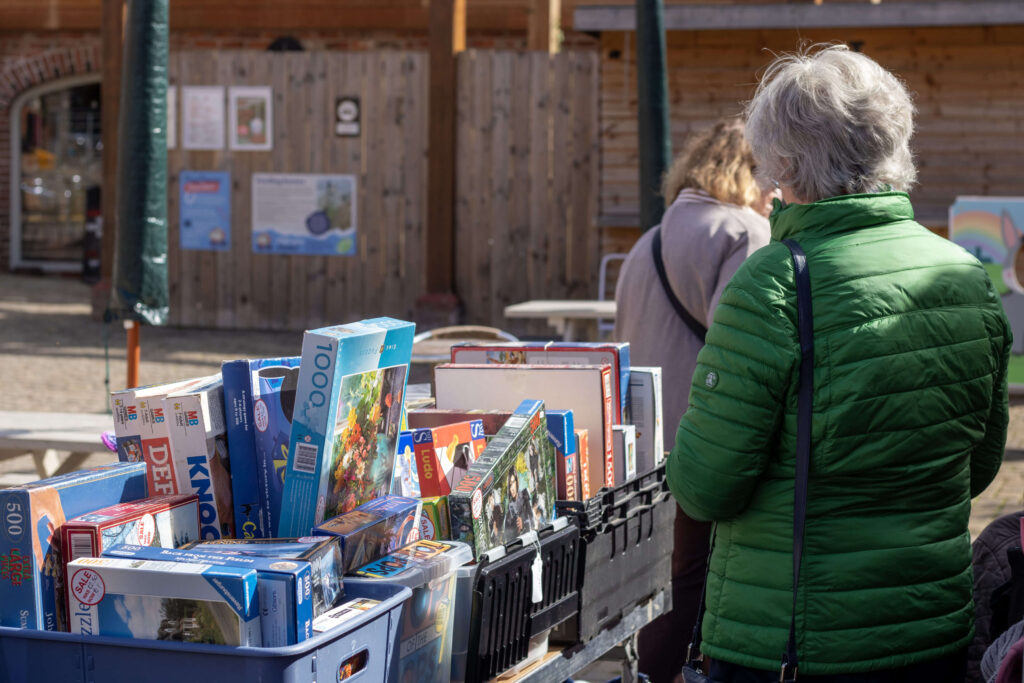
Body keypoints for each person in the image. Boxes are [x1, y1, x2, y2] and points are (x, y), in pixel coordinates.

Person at [668, 44, 1011, 682]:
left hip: (793, 640)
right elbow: (981, 463)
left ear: (787, 162)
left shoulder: (771, 282)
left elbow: (706, 485)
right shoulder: (967, 275)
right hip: (930, 629)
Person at [614, 117, 772, 683]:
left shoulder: (647, 241)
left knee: (667, 581)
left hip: (641, 449)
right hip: (703, 442)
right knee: (696, 582)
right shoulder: (745, 234)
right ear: (752, 170)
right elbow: (746, 349)